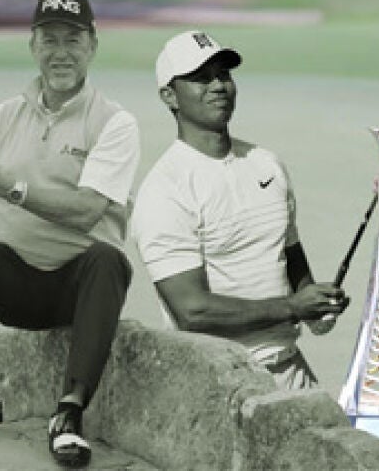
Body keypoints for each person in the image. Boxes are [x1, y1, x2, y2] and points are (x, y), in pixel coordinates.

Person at [131, 30, 350, 390]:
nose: (218, 85)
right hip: (218, 383)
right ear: (169, 95)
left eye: (223, 74)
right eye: (201, 78)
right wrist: (294, 307)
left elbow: (289, 256)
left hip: (292, 370)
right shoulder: (165, 189)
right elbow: (192, 311)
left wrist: (316, 303)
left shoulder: (266, 164)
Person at [0, 0, 140, 468]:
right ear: (32, 46)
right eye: (50, 40)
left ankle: (69, 414)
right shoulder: (5, 115)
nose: (61, 52)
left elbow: (86, 212)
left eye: (73, 40)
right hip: (14, 282)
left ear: (92, 46)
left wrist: (11, 188)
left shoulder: (115, 123)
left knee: (108, 260)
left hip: (77, 290)